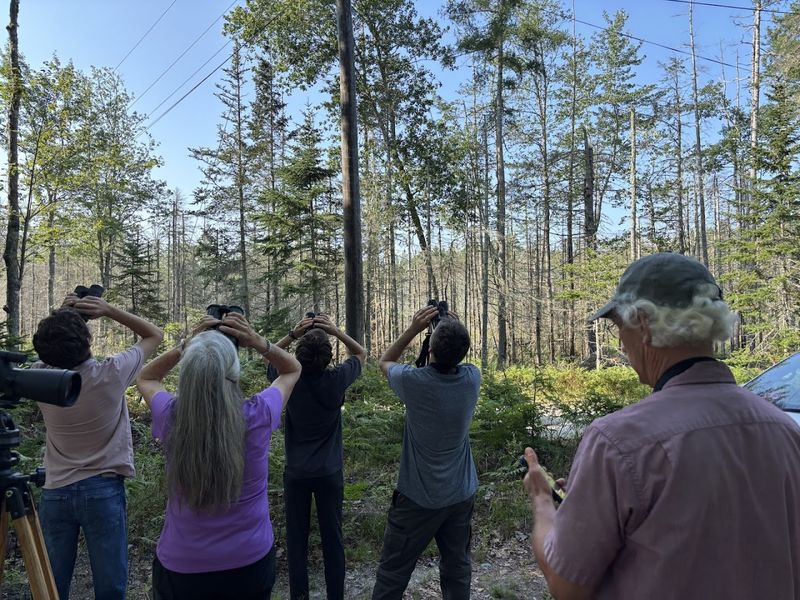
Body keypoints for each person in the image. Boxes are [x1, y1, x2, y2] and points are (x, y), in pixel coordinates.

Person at [522, 252, 800, 600]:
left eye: (618, 324)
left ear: (643, 324)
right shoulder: (785, 430)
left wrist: (543, 502)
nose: (620, 341)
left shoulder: (618, 441)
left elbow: (567, 586)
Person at [136, 312, 301, 600]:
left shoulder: (171, 415)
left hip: (182, 567)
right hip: (249, 563)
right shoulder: (258, 414)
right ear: (234, 373)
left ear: (187, 373)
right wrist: (259, 343)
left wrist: (186, 345)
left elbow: (146, 376)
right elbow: (291, 370)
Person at [32, 294, 164, 600]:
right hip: (102, 489)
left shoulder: (39, 379)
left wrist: (63, 316)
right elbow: (154, 335)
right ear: (87, 341)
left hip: (55, 490)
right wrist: (108, 309)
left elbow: (50, 351)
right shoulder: (111, 374)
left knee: (51, 584)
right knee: (110, 584)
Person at [372, 306, 481, 600]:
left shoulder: (414, 382)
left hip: (417, 497)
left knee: (393, 573)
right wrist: (450, 326)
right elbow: (456, 353)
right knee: (457, 569)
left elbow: (385, 360)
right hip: (460, 493)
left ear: (429, 347)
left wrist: (413, 329)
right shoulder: (472, 378)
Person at [268, 313, 366, 600]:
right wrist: (336, 332)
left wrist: (293, 333)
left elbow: (268, 356)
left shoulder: (289, 379)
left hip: (296, 472)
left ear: (298, 355)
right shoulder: (336, 379)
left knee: (297, 541)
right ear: (328, 356)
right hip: (329, 472)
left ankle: (300, 596)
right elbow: (361, 353)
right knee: (333, 539)